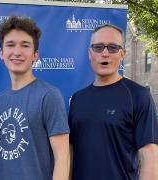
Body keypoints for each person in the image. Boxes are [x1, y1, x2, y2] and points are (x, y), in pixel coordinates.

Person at [68, 23, 158, 180]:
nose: (105, 53)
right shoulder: (77, 99)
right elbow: (70, 152)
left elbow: (149, 155)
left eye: (113, 48)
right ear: (90, 53)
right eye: (98, 47)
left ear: (122, 54)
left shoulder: (138, 96)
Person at [0, 15, 70, 180]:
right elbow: (6, 154)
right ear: (1, 53)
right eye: (10, 45)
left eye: (25, 45)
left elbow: (62, 157)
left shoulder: (49, 96)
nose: (17, 52)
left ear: (35, 54)